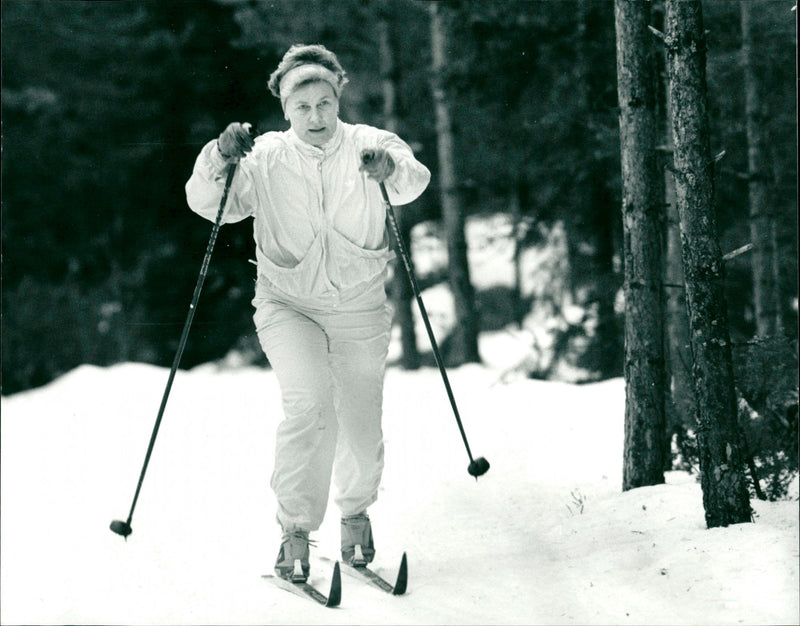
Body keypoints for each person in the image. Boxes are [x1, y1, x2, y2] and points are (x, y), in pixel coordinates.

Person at [185, 44, 431, 582]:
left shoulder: (369, 143)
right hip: (287, 303)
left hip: (358, 305)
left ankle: (356, 515)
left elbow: (413, 181)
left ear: (338, 94)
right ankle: (295, 531)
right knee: (311, 404)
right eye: (303, 107)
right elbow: (212, 205)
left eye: (324, 103)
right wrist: (220, 157)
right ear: (284, 108)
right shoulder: (266, 155)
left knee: (360, 423)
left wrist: (388, 168)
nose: (316, 116)